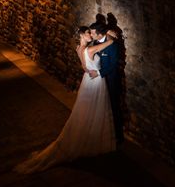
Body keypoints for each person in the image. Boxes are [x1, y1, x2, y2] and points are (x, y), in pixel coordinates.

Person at [14, 26, 117, 174]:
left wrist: (89, 70)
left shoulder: (78, 49)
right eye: (88, 33)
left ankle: (87, 135)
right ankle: (92, 140)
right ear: (82, 35)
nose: (91, 35)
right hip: (95, 82)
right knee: (96, 109)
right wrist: (109, 34)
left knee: (85, 111)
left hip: (87, 79)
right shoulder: (90, 50)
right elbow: (110, 43)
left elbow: (84, 67)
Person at [90, 21, 125, 144]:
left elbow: (114, 65)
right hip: (98, 83)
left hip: (110, 81)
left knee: (113, 108)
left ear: (100, 34)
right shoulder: (95, 42)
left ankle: (117, 136)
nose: (91, 35)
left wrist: (99, 73)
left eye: (93, 33)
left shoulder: (112, 45)